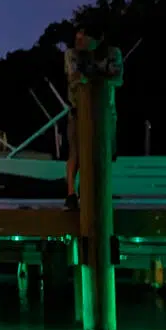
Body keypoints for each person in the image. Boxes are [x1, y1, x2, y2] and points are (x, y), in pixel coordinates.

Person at [63, 30, 100, 210]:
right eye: (76, 38)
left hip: (98, 113)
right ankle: (71, 193)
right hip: (77, 110)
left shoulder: (99, 55)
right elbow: (74, 77)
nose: (78, 41)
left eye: (82, 38)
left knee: (94, 153)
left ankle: (89, 192)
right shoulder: (71, 55)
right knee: (75, 153)